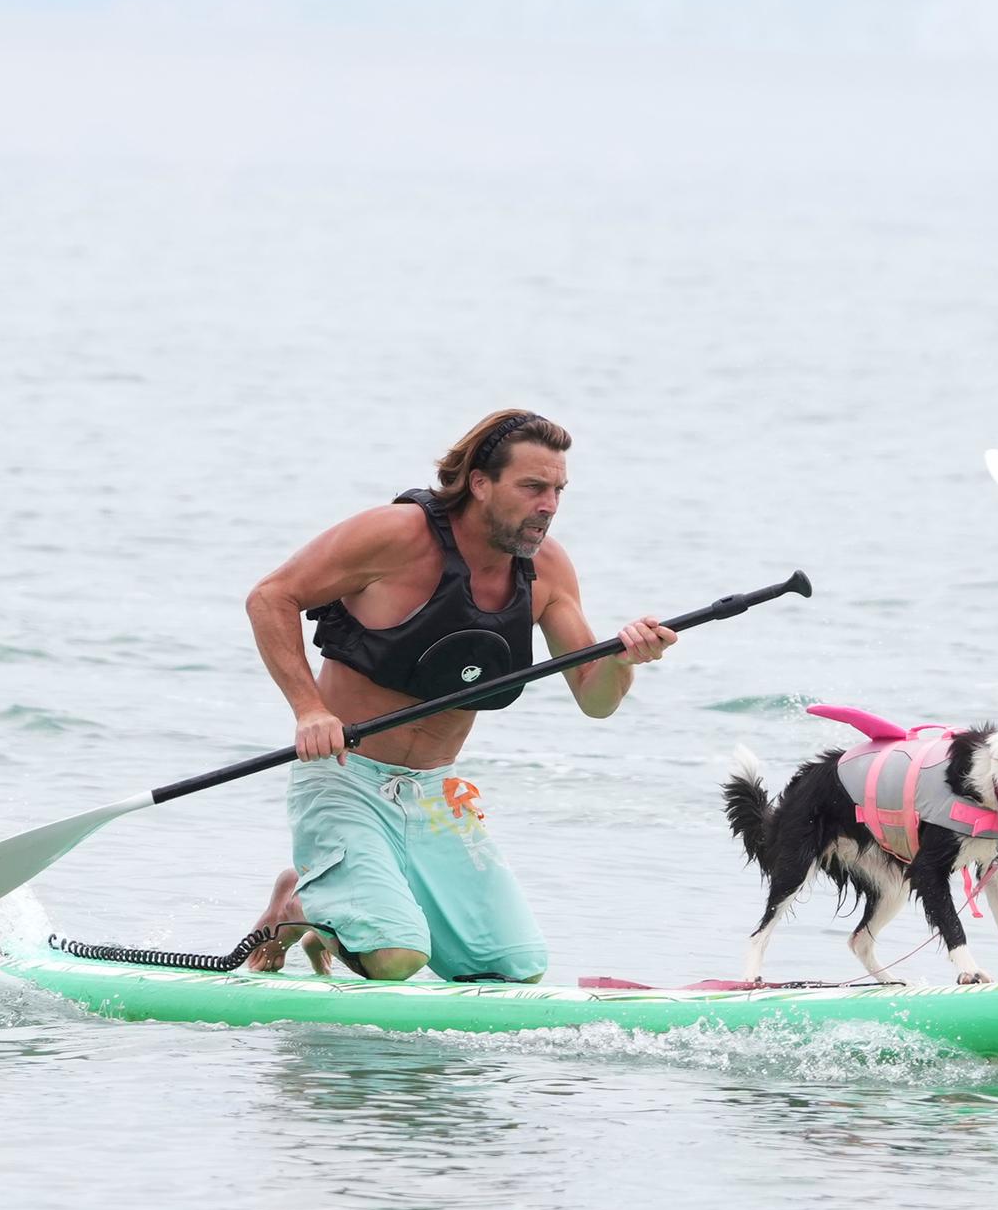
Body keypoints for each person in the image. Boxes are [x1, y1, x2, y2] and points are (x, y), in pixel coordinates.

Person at [241, 409, 676, 983]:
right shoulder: (396, 536)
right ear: (479, 482)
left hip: (437, 795)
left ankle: (333, 899)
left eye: (557, 490)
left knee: (512, 969)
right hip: (343, 777)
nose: (548, 505)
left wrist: (624, 660)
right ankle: (299, 910)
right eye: (532, 487)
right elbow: (271, 597)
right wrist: (309, 710)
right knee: (395, 957)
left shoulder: (546, 570)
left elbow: (596, 699)